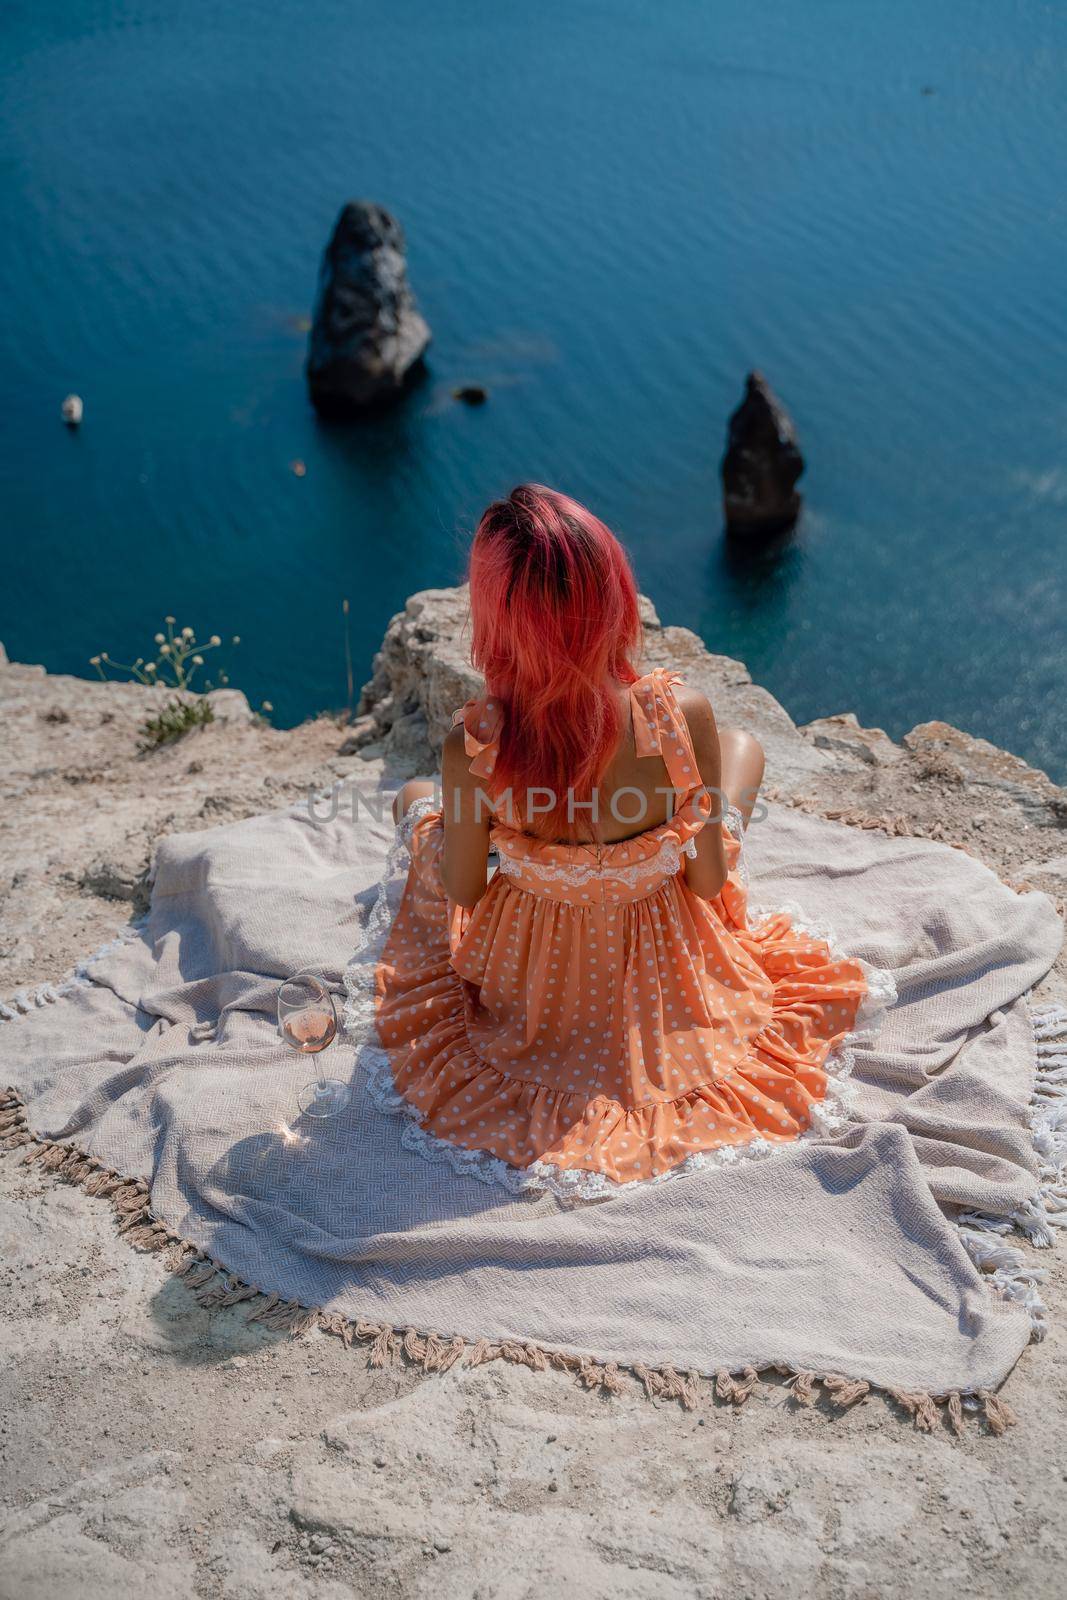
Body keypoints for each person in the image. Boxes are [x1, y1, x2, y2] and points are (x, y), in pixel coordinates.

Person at [375, 484, 877, 1197]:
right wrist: (696, 829)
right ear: (612, 596)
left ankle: (447, 822)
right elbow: (706, 884)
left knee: (415, 798)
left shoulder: (477, 746)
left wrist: (515, 848)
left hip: (535, 987)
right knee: (742, 751)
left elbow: (462, 889)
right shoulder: (677, 716)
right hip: (662, 984)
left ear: (495, 618)